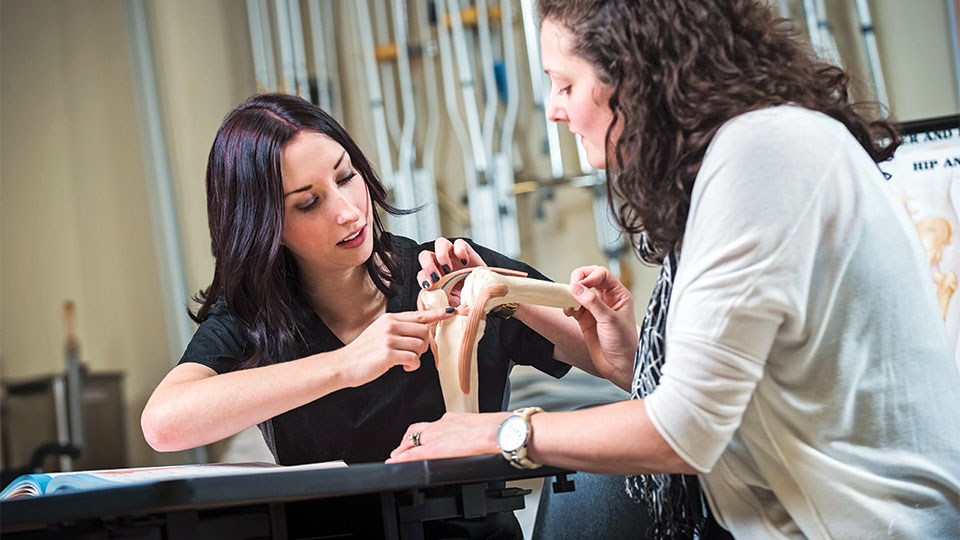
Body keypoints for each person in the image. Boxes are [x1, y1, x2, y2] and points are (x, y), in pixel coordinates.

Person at [387, 1, 960, 538]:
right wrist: (629, 362)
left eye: (565, 84)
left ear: (636, 76)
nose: (556, 109)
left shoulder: (761, 156)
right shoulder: (752, 150)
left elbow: (687, 431)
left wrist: (498, 431)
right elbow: (739, 398)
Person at [140, 93, 590, 539]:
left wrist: (501, 294)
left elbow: (618, 360)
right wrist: (347, 364)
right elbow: (164, 424)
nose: (348, 212)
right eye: (308, 203)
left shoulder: (453, 273)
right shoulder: (256, 318)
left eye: (346, 176)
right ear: (264, 226)